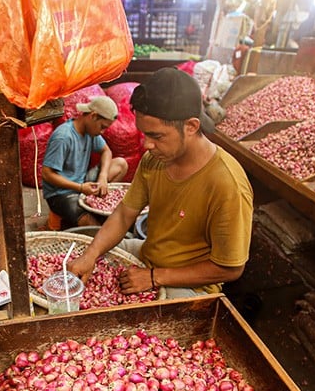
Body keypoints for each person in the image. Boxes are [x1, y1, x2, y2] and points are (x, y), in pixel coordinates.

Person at [68, 68, 254, 299]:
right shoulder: (154, 160)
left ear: (191, 126)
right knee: (82, 255)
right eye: (144, 134)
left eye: (156, 136)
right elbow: (125, 214)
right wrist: (91, 254)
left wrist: (155, 277)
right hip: (148, 255)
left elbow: (232, 268)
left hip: (189, 285)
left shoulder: (227, 184)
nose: (146, 145)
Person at [41, 96, 128, 228]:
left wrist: (103, 178)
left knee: (120, 164)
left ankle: (92, 207)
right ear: (93, 116)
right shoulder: (63, 137)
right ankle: (63, 218)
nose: (102, 132)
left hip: (82, 184)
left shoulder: (90, 132)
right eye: (102, 127)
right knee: (93, 227)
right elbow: (47, 174)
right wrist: (81, 188)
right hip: (61, 193)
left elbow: (107, 151)